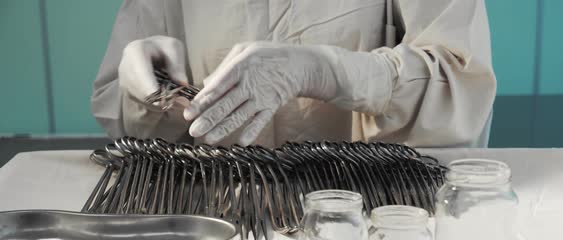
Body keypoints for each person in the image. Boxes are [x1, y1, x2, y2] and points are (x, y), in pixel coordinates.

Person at [91, 0, 496, 148]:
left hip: (370, 220)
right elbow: (129, 129)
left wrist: (329, 72)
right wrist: (146, 92)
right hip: (217, 218)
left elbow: (461, 93)